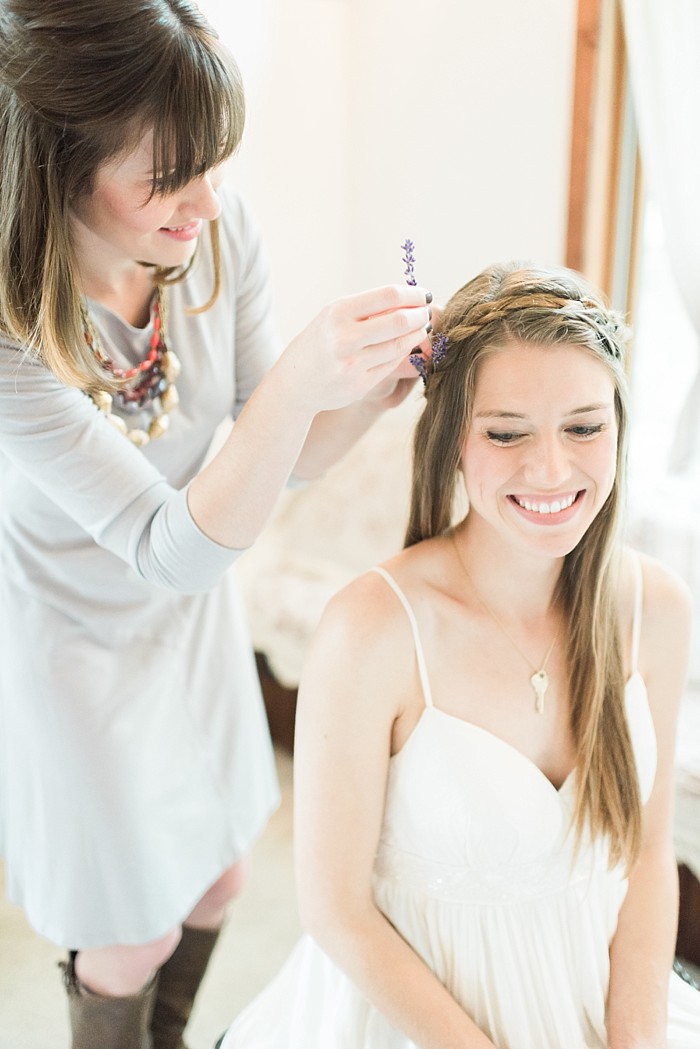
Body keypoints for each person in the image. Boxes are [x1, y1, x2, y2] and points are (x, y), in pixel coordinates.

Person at [0, 2, 433, 1047]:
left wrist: (371, 394)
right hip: (75, 649)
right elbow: (168, 542)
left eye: (215, 166)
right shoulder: (14, 334)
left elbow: (270, 470)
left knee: (227, 869)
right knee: (130, 931)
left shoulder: (216, 235)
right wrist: (296, 383)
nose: (204, 202)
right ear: (59, 169)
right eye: (167, 177)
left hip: (189, 622)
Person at [220, 262, 700, 1048]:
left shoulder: (659, 608)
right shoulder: (372, 629)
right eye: (507, 432)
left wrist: (633, 1039)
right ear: (452, 441)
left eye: (584, 426)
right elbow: (336, 912)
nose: (552, 469)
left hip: (601, 1003)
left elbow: (649, 857)